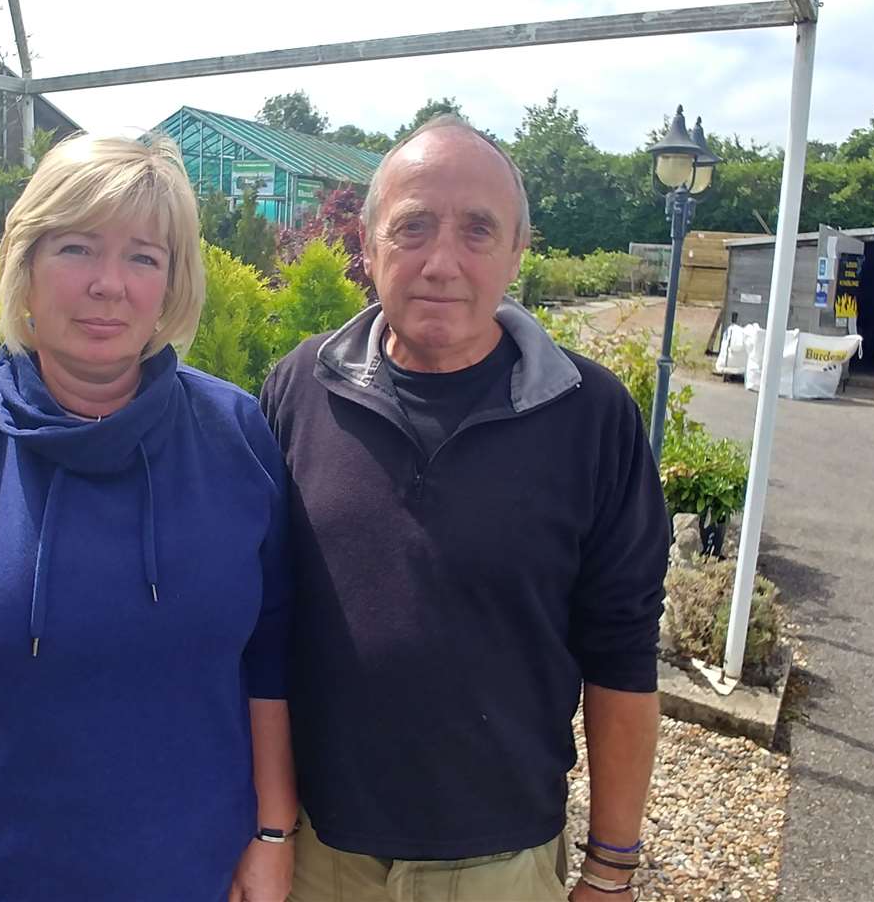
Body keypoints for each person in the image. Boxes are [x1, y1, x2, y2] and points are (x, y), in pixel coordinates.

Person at [0, 132, 298, 901]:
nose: (109, 285)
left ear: (172, 282)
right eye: (78, 249)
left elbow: (271, 653)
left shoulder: (235, 436)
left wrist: (273, 834)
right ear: (26, 264)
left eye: (144, 256)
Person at [260, 116, 670, 901]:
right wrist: (268, 829)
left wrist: (612, 867)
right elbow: (260, 627)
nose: (440, 262)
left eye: (478, 231)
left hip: (499, 866)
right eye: (412, 227)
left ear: (519, 250)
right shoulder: (299, 389)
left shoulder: (591, 416)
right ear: (367, 243)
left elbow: (621, 648)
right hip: (318, 857)